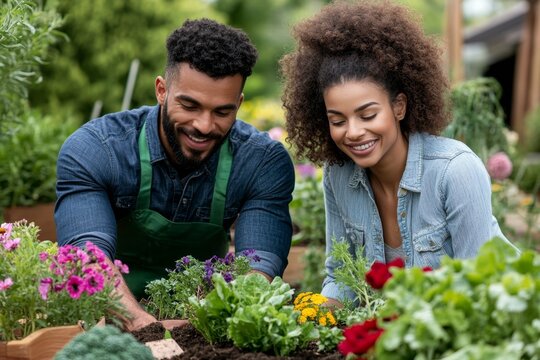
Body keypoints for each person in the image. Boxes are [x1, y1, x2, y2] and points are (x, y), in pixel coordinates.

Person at [55, 18, 295, 329]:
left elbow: (259, 264)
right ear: (161, 90)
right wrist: (146, 327)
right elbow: (87, 254)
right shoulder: (96, 150)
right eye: (190, 106)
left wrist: (208, 328)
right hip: (104, 327)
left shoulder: (262, 162)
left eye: (222, 111)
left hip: (203, 326)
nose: (204, 126)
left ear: (239, 104)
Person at [280, 0, 514, 307]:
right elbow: (341, 278)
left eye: (367, 115)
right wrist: (310, 319)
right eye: (337, 120)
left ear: (399, 107)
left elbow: (479, 286)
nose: (352, 132)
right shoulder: (339, 175)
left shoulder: (455, 170)